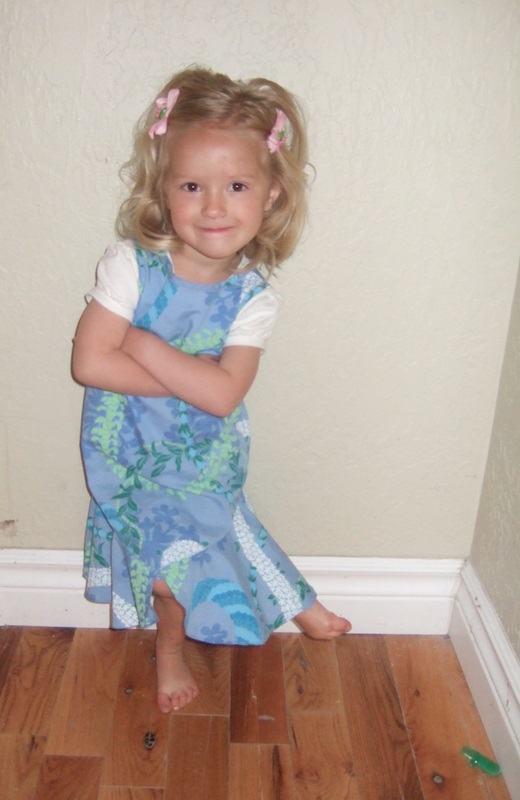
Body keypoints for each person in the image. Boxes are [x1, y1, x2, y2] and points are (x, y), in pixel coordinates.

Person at [72, 66, 351, 714]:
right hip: (128, 455)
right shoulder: (130, 265)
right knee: (168, 574)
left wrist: (142, 343)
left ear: (271, 194)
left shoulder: (252, 297)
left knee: (219, 532)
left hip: (202, 450)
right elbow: (90, 364)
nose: (215, 207)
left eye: (237, 186)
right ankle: (216, 633)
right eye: (193, 186)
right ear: (163, 188)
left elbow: (223, 398)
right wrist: (191, 373)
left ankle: (281, 608)